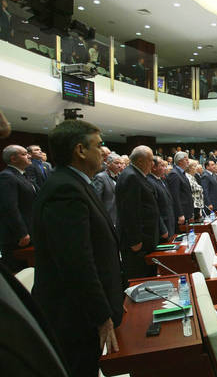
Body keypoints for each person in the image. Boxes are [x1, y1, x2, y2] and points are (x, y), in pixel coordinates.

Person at [31, 120, 123, 376]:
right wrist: (101, 314)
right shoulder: (65, 190)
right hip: (76, 317)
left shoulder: (77, 183)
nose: (103, 152)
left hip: (85, 310)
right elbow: (77, 262)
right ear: (80, 150)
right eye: (98, 145)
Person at [115, 145, 162, 279]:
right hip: (138, 243)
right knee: (140, 277)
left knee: (148, 275)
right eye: (150, 160)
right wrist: (135, 240)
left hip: (146, 239)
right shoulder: (131, 176)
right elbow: (129, 211)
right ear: (140, 161)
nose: (152, 164)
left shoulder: (137, 175)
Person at [0, 145, 37, 272]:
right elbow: (9, 207)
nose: (29, 156)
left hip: (29, 231)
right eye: (25, 154)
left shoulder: (22, 175)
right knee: (19, 273)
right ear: (13, 159)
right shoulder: (7, 176)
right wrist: (21, 233)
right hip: (17, 238)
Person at [148, 157, 176, 240]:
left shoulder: (161, 180)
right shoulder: (150, 182)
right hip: (162, 226)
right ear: (154, 167)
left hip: (169, 222)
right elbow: (155, 208)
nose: (165, 168)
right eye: (162, 166)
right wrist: (162, 229)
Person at [92, 153, 121, 226]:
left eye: (120, 163)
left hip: (119, 218)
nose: (119, 166)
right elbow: (97, 200)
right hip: (107, 217)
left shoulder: (120, 177)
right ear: (108, 164)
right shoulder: (100, 177)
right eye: (116, 163)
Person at [166, 151, 194, 225]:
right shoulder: (174, 174)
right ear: (180, 161)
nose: (188, 161)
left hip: (187, 211)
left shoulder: (182, 173)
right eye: (186, 159)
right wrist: (180, 214)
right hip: (181, 213)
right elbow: (175, 196)